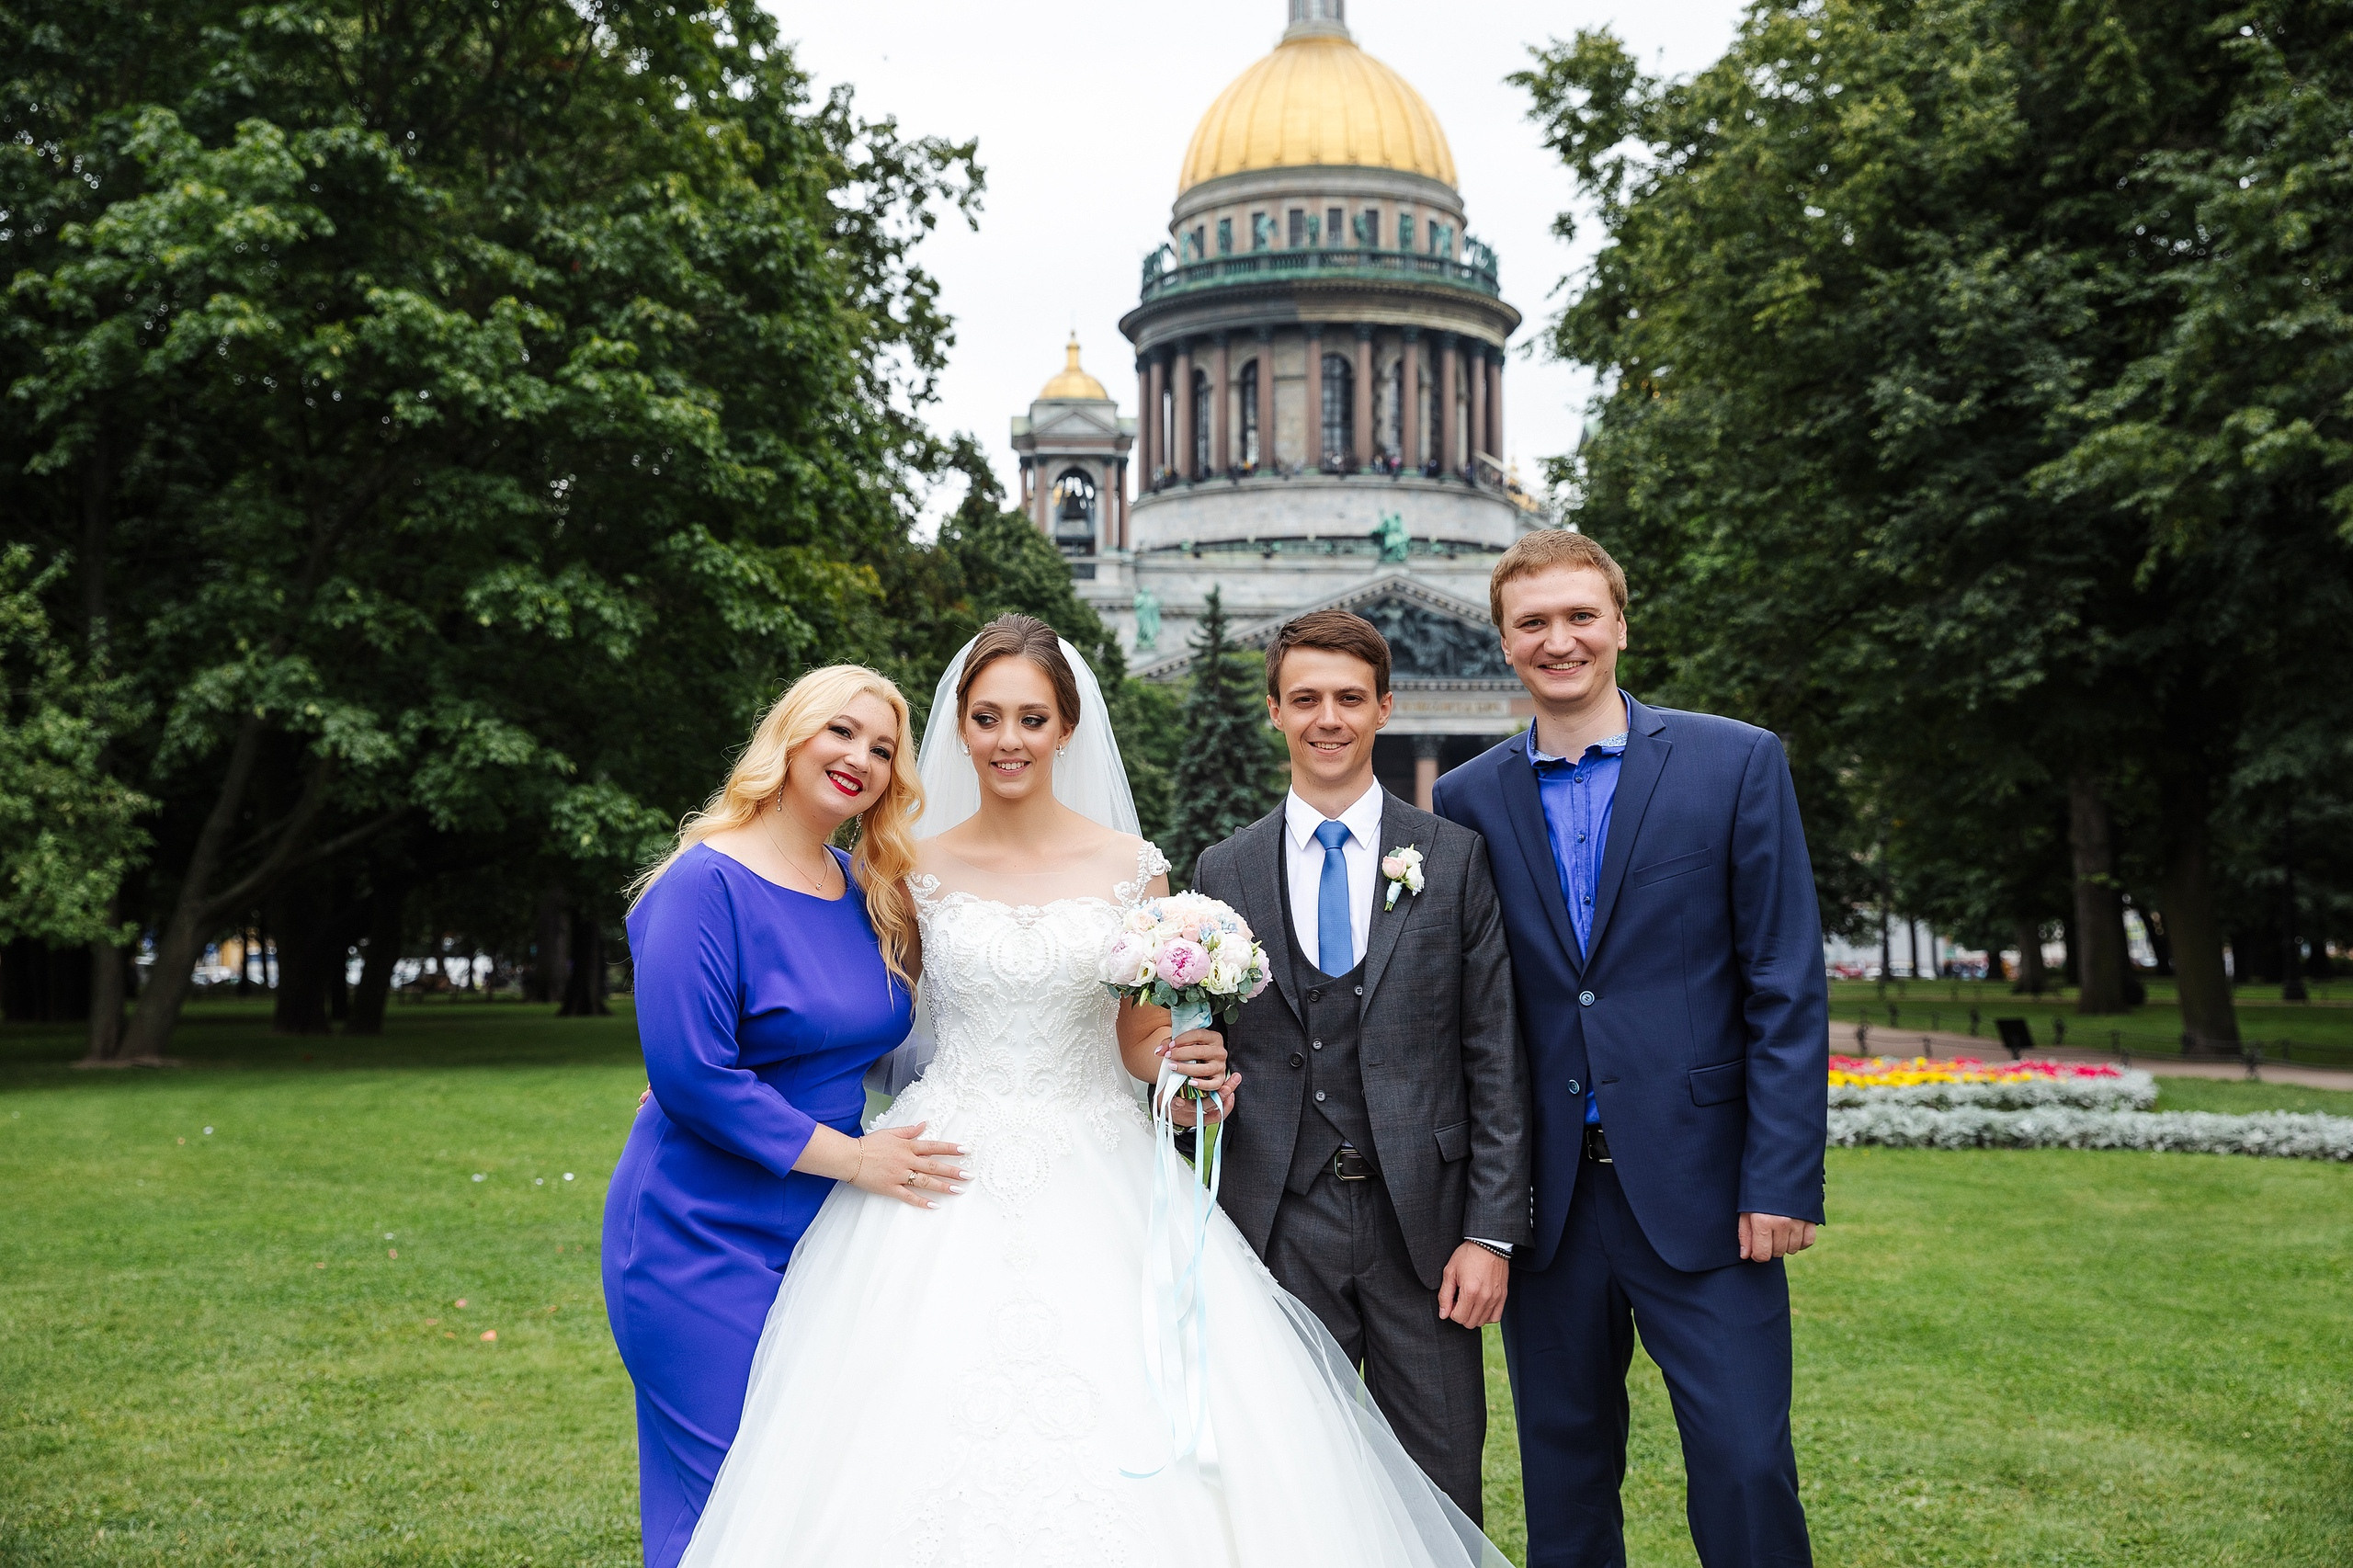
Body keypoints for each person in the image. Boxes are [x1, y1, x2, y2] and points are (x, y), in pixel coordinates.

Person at [675, 614, 1509, 1568]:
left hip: (1098, 1163)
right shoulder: (904, 868)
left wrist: (1185, 1079)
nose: (1009, 739)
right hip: (941, 1163)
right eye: (987, 717)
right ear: (960, 727)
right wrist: (735, 1071)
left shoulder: (1134, 869)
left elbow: (1141, 1040)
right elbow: (845, 1003)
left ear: (1066, 728)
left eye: (1032, 718)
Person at [1430, 530, 1828, 1568]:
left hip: (1708, 1188)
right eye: (1533, 622)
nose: (1558, 640)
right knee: (1563, 1479)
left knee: (1745, 1463)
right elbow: (1469, 1002)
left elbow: (1784, 980)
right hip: (1551, 1203)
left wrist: (1781, 1176)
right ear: (1504, 642)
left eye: (1580, 616)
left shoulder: (1734, 761)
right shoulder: (1466, 799)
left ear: (1618, 624)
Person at [601, 666, 967, 1568]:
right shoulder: (704, 881)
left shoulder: (862, 888)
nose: (860, 758)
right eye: (841, 731)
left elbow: (861, 1042)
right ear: (790, 735)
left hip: (824, 1236)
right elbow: (693, 1077)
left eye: (882, 748)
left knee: (809, 1496)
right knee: (732, 1500)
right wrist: (857, 1158)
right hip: (698, 1232)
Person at [1191, 608, 1530, 1521]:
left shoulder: (1454, 858)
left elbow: (1494, 1054)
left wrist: (1490, 1234)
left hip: (1426, 1228)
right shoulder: (1224, 869)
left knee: (1443, 1480)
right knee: (1293, 1486)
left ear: (1385, 707)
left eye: (1349, 697)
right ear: (1274, 711)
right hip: (1277, 1220)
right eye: (1305, 699)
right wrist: (1189, 1089)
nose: (1327, 718)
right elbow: (1202, 1047)